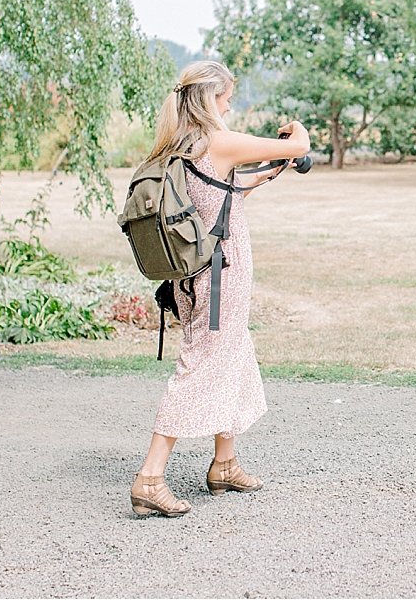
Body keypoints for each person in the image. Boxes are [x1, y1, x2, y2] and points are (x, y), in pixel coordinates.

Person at [130, 60, 311, 517]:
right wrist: (295, 132)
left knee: (229, 354)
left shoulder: (183, 146)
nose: (230, 103)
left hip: (197, 276)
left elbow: (223, 196)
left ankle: (224, 464)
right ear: (210, 98)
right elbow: (301, 143)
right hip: (221, 275)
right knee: (202, 364)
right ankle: (150, 478)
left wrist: (270, 171)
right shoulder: (219, 141)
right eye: (227, 96)